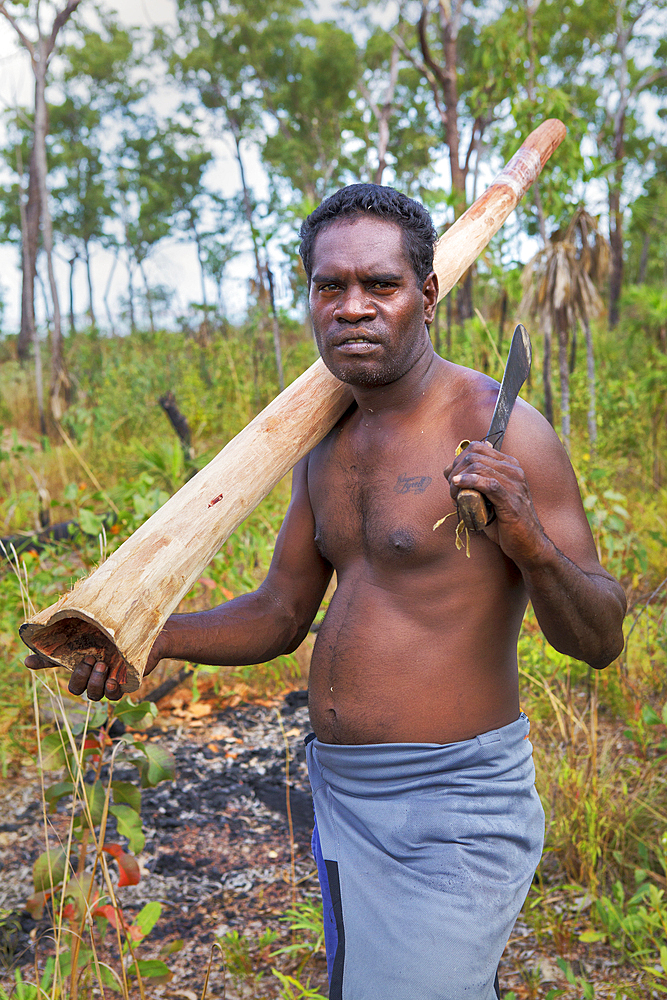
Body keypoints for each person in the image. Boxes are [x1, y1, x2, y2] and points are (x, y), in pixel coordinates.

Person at [27, 184, 626, 1000]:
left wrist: (527, 539)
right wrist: (148, 636)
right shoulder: (325, 441)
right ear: (307, 296)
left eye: (379, 286)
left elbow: (599, 640)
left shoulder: (498, 424)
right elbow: (279, 614)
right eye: (329, 287)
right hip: (343, 797)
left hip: (453, 805)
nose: (352, 308)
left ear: (427, 294)